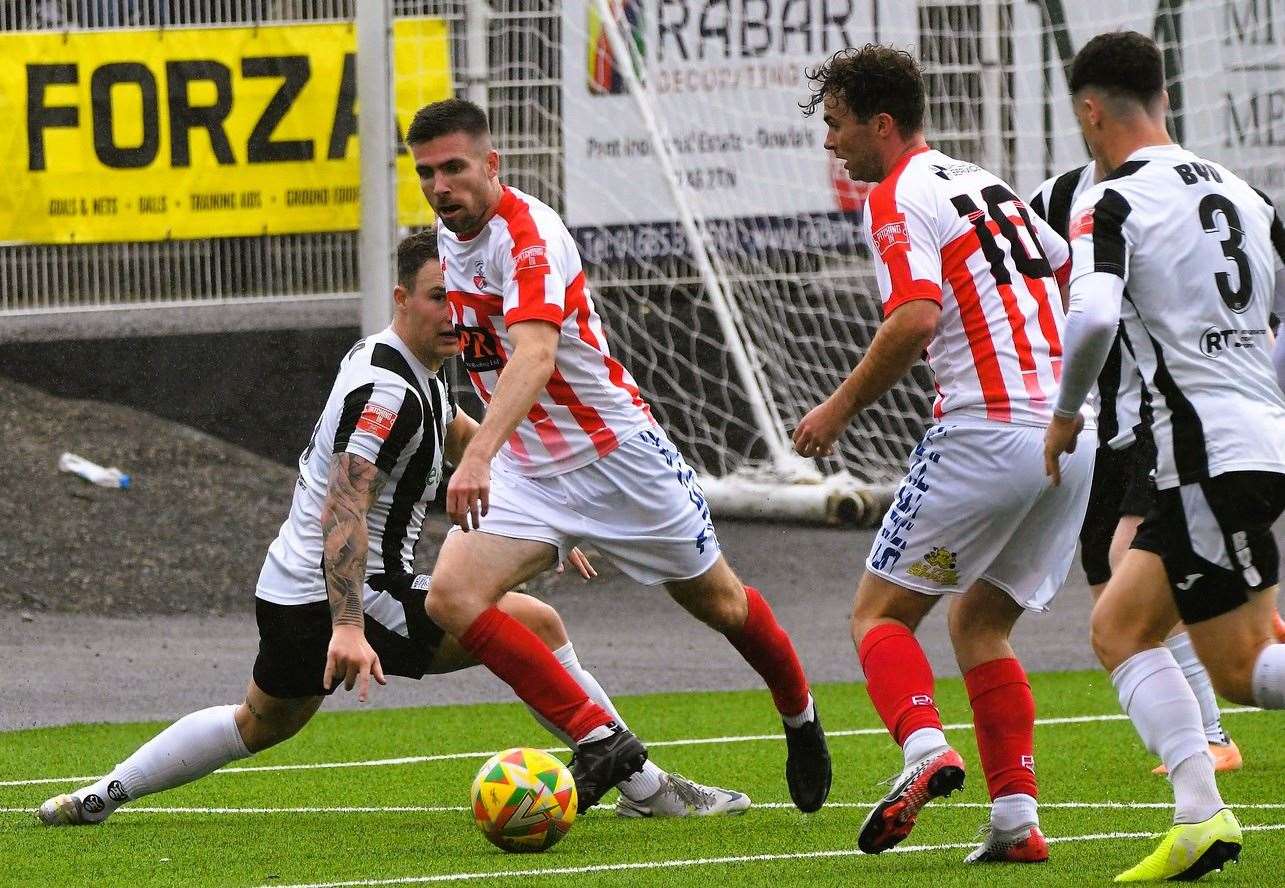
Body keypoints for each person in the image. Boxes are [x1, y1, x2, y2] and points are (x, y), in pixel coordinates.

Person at [37, 231, 749, 827]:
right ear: (402, 298)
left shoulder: (410, 364)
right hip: (341, 592)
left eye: (462, 300)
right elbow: (344, 508)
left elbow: (459, 433)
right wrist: (347, 627)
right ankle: (644, 786)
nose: (454, 313)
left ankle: (104, 795)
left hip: (289, 588)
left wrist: (544, 508)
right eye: (438, 297)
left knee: (261, 721)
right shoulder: (386, 388)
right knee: (535, 626)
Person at [403, 98, 831, 815]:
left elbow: (535, 355)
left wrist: (474, 456)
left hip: (616, 459)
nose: (440, 186)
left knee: (721, 605)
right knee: (450, 595)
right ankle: (604, 744)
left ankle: (799, 716)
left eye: (453, 168)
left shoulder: (530, 235)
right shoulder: (448, 241)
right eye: (425, 173)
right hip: (528, 472)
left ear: (491, 164)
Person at [794, 44, 1094, 863]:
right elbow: (1070, 273)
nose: (831, 144)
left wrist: (837, 408)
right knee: (980, 621)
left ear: (880, 125)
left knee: (878, 614)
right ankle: (1014, 822)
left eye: (837, 126)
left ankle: (924, 751)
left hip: (986, 430)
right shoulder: (984, 183)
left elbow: (915, 318)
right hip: (1069, 437)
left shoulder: (897, 195)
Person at [1043, 31, 1285, 882]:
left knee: (1245, 671)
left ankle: (1200, 811)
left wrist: (1066, 413)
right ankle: (1198, 817)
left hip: (1200, 454)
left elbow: (1094, 319)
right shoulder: (1246, 195)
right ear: (1163, 99)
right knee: (1118, 628)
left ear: (1088, 110)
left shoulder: (1107, 202)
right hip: (1247, 442)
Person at [1029, 164, 1244, 775]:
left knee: (1132, 563)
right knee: (1108, 581)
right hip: (1108, 424)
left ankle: (1210, 738)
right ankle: (1198, 737)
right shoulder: (1055, 198)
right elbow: (1024, 266)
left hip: (1169, 411)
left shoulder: (1181, 193)